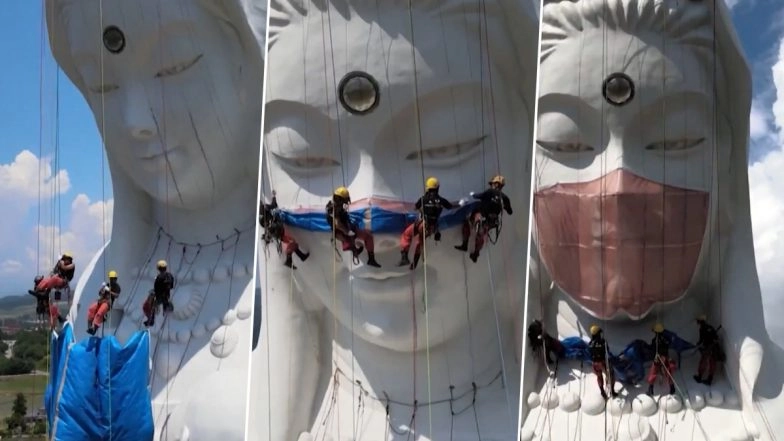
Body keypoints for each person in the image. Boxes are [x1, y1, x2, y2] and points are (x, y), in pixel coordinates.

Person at [398, 177, 454, 269]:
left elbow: (415, 208)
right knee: (419, 242)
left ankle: (404, 257)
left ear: (428, 188)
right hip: (431, 227)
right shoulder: (441, 200)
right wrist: (460, 204)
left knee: (406, 235)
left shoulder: (423, 199)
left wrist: (422, 209)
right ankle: (414, 264)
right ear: (437, 188)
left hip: (422, 224)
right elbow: (450, 207)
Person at [454, 175, 513, 262]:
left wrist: (472, 194)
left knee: (467, 222)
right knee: (481, 234)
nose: (491, 186)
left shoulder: (490, 191)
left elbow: (478, 196)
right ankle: (476, 253)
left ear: (496, 184)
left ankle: (465, 244)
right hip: (491, 222)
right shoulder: (505, 198)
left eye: (492, 184)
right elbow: (510, 212)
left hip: (481, 216)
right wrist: (502, 205)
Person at [325, 186, 380, 267]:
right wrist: (348, 232)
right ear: (340, 199)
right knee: (368, 236)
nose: (346, 202)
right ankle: (371, 259)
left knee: (365, 234)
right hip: (341, 231)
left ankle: (354, 249)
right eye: (345, 200)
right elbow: (338, 224)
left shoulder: (333, 206)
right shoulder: (334, 209)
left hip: (343, 229)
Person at [260, 190, 310, 269]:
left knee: (292, 241)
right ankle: (289, 260)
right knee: (292, 242)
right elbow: (274, 205)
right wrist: (273, 196)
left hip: (276, 233)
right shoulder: (265, 208)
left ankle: (301, 256)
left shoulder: (261, 218)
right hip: (278, 230)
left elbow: (265, 226)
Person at [86, 270, 121, 335]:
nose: (112, 280)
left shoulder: (117, 287)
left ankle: (94, 328)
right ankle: (90, 327)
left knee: (99, 313)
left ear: (115, 279)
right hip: (101, 301)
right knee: (91, 309)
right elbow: (100, 293)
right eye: (111, 279)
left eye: (113, 279)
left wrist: (109, 291)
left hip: (107, 303)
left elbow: (116, 295)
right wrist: (102, 289)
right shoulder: (107, 285)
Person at [588, 325, 618, 399]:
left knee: (599, 376)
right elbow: (607, 351)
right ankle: (612, 391)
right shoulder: (602, 342)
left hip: (594, 363)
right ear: (598, 334)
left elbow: (590, 352)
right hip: (602, 362)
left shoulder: (590, 344)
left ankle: (602, 391)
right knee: (611, 374)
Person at [143, 260, 175, 327]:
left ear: (158, 268)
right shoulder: (169, 276)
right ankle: (165, 307)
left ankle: (151, 319)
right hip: (164, 296)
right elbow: (171, 286)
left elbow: (159, 288)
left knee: (146, 305)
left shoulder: (160, 277)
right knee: (150, 302)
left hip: (160, 297)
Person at [647, 323, 676, 396]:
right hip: (665, 357)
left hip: (659, 358)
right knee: (668, 371)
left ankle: (650, 389)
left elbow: (654, 350)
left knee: (653, 372)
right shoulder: (666, 339)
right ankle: (672, 388)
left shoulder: (655, 340)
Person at [694, 314, 722, 386]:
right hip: (714, 347)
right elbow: (716, 337)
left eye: (698, 321)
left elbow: (701, 340)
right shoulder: (710, 327)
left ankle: (699, 377)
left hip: (708, 347)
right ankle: (710, 379)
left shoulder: (702, 328)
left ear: (700, 321)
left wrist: (698, 344)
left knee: (703, 361)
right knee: (712, 362)